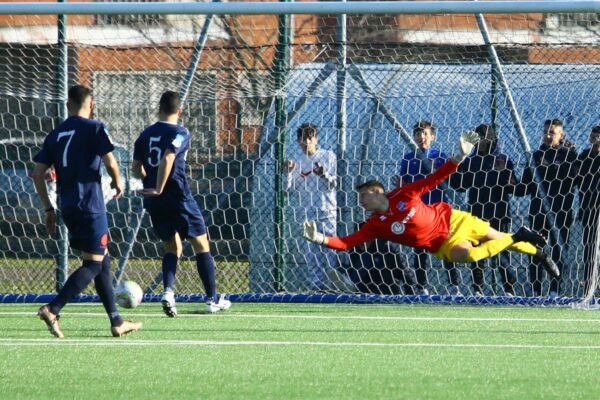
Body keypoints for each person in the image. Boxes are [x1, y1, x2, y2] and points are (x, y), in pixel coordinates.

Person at [302, 131, 560, 280]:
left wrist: (459, 156)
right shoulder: (375, 225)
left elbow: (437, 177)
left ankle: (539, 254)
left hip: (455, 220)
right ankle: (522, 236)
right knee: (470, 255)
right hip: (443, 244)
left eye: (363, 196)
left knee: (503, 240)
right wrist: (320, 239)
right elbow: (347, 243)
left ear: (376, 192)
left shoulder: (404, 194)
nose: (360, 201)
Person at [32, 84, 142, 338]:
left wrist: (48, 207)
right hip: (91, 206)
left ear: (68, 105)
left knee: (102, 260)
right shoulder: (95, 127)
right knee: (92, 265)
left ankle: (117, 321)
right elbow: (111, 160)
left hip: (67, 206)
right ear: (91, 105)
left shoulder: (56, 134)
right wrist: (117, 181)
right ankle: (53, 308)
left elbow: (37, 173)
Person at [132, 91, 230, 316]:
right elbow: (168, 156)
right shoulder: (180, 132)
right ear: (180, 111)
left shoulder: (145, 134)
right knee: (201, 244)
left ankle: (167, 292)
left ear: (159, 108)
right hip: (178, 196)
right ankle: (211, 299)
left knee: (172, 247)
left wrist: (149, 182)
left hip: (155, 202)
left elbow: (136, 167)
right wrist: (160, 186)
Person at [449, 124, 518, 296]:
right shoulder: (471, 161)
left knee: (502, 250)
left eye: (484, 137)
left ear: (492, 139)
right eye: (478, 138)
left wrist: (505, 173)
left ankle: (508, 289)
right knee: (476, 252)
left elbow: (515, 188)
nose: (481, 141)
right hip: (477, 214)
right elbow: (459, 186)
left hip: (500, 213)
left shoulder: (502, 159)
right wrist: (455, 166)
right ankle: (477, 289)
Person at [395, 121, 461, 295]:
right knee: (420, 249)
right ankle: (421, 287)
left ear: (433, 137)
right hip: (419, 211)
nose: (421, 137)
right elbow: (405, 184)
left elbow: (451, 178)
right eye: (417, 134)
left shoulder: (440, 157)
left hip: (438, 210)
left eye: (424, 133)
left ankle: (454, 286)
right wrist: (401, 186)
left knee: (446, 245)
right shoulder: (408, 159)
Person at [519, 119, 578, 298]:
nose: (547, 135)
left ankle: (555, 290)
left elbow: (573, 179)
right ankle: (536, 291)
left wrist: (549, 168)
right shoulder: (535, 156)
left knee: (559, 252)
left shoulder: (569, 155)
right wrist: (508, 183)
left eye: (552, 132)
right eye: (545, 131)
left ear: (562, 135)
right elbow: (525, 187)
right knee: (535, 251)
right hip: (539, 212)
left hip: (561, 211)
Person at [283, 123, 340, 291]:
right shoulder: (297, 163)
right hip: (307, 214)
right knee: (312, 254)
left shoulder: (328, 156)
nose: (306, 141)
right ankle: (317, 288)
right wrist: (287, 174)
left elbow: (334, 184)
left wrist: (324, 174)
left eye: (310, 137)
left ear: (316, 139)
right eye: (302, 138)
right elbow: (287, 191)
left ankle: (333, 287)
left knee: (330, 251)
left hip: (327, 212)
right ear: (298, 141)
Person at [341, 231, 419, 295]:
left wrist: (412, 298)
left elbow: (406, 275)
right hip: (362, 289)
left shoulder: (388, 251)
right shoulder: (355, 251)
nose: (362, 242)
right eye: (359, 238)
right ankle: (347, 287)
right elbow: (353, 269)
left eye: (365, 239)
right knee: (340, 267)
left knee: (366, 256)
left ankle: (350, 286)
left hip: (384, 291)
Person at [575, 126, 600, 296]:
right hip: (589, 209)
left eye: (597, 137)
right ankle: (590, 284)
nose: (594, 140)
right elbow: (574, 178)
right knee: (589, 247)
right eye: (593, 137)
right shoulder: (584, 157)